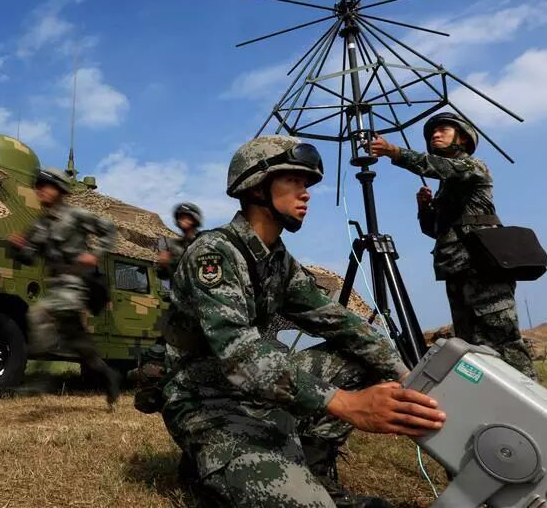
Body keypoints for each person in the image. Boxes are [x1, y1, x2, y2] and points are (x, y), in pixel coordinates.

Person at [160, 136, 446, 508]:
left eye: (306, 183)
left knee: (362, 357)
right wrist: (346, 403)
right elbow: (240, 355)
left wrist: (404, 373)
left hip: (253, 391)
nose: (306, 193)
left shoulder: (278, 261)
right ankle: (209, 458)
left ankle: (313, 469)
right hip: (206, 398)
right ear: (257, 188)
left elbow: (340, 322)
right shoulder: (213, 254)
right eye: (293, 180)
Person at [370, 112, 538, 380]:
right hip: (457, 270)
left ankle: (531, 394)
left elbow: (437, 166)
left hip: (484, 268)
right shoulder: (446, 186)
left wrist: (393, 151)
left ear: (463, 138)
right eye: (432, 133)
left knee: (503, 338)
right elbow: (436, 231)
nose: (435, 135)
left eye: (443, 130)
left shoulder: (472, 166)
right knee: (471, 343)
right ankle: (492, 395)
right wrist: (424, 208)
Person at [8, 167, 122, 406]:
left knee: (39, 313)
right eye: (38, 186)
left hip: (75, 283)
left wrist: (95, 254)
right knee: (79, 344)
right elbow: (29, 257)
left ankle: (41, 377)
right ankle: (109, 375)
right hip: (55, 285)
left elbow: (109, 230)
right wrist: (18, 248)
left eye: (45, 186)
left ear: (59, 190)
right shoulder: (40, 225)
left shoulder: (76, 215)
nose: (40, 190)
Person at [133, 203, 203, 414]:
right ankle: (153, 395)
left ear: (195, 219)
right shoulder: (172, 246)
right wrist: (162, 264)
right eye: (180, 217)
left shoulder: (204, 243)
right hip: (177, 309)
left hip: (202, 309)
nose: (183, 220)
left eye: (187, 216)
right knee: (157, 352)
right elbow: (162, 275)